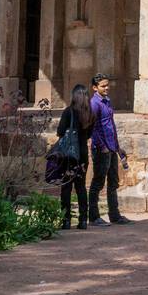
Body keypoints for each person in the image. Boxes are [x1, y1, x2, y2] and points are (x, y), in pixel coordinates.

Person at [88, 74, 131, 225]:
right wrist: (102, 146)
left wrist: (117, 147)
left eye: (107, 85)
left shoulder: (107, 101)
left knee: (113, 181)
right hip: (101, 149)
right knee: (98, 183)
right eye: (103, 86)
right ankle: (93, 216)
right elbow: (93, 129)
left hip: (111, 147)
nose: (106, 88)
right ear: (95, 88)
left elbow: (110, 125)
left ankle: (115, 215)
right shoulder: (94, 104)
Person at [56, 83, 95, 230]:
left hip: (69, 154)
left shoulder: (68, 112)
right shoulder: (90, 114)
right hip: (82, 154)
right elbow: (89, 134)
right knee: (81, 187)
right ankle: (83, 220)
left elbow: (60, 131)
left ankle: (66, 220)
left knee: (66, 187)